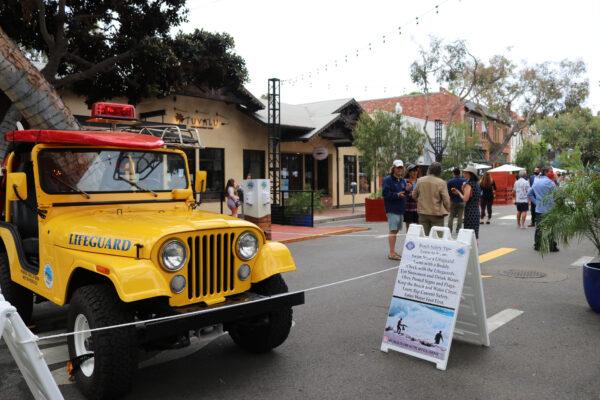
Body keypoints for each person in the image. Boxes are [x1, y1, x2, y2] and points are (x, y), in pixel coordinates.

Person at [412, 162, 450, 236]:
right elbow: (446, 200)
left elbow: (414, 195)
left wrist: (420, 201)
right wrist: (448, 209)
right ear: (439, 171)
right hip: (436, 213)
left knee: (423, 236)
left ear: (429, 169)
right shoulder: (441, 182)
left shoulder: (420, 180)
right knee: (437, 237)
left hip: (422, 212)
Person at [382, 160, 409, 260]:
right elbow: (385, 194)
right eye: (398, 167)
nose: (399, 169)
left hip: (400, 209)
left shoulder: (402, 180)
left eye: (401, 167)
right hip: (392, 209)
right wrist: (397, 195)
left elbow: (404, 193)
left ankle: (393, 251)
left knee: (396, 230)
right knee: (393, 230)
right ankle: (391, 253)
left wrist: (407, 189)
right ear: (393, 168)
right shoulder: (387, 180)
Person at [528, 167, 558, 252]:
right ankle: (552, 246)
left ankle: (537, 245)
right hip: (549, 209)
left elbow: (529, 194)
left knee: (539, 228)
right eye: (551, 171)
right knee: (550, 228)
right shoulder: (550, 183)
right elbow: (556, 195)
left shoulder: (536, 181)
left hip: (539, 209)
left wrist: (536, 203)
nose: (552, 173)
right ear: (546, 172)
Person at [451, 165, 482, 240]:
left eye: (465, 173)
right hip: (476, 210)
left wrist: (458, 192)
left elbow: (465, 199)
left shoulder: (469, 184)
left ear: (470, 174)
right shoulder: (477, 184)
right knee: (475, 235)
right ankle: (475, 251)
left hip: (470, 211)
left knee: (469, 235)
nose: (463, 174)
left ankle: (471, 251)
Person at [447, 167, 466, 235]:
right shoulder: (464, 181)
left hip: (453, 201)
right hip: (461, 200)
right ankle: (458, 230)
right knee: (460, 216)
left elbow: (449, 192)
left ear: (453, 173)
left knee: (451, 216)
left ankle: (449, 230)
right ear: (459, 173)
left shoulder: (450, 182)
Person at [403, 164, 420, 231]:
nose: (415, 172)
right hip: (408, 208)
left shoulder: (420, 181)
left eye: (416, 170)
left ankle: (418, 241)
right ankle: (409, 241)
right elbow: (403, 193)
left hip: (418, 208)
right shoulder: (404, 181)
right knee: (409, 228)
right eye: (413, 171)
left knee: (419, 227)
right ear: (409, 172)